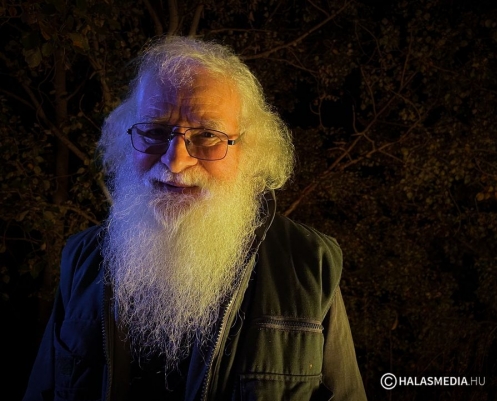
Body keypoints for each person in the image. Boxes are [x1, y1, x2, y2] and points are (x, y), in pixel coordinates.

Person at [23, 36, 367, 401]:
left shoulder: (310, 263)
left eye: (207, 135)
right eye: (155, 131)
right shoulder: (81, 259)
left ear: (249, 152)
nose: (175, 161)